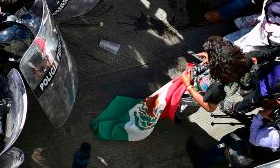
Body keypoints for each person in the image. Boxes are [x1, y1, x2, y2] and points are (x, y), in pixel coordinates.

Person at [91, 36, 247, 141]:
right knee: (162, 104)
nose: (206, 56)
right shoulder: (222, 68)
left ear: (218, 66)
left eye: (209, 56)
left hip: (187, 100)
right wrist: (207, 59)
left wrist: (187, 84)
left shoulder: (217, 88)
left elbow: (209, 107)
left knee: (178, 111)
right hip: (186, 88)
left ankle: (176, 118)